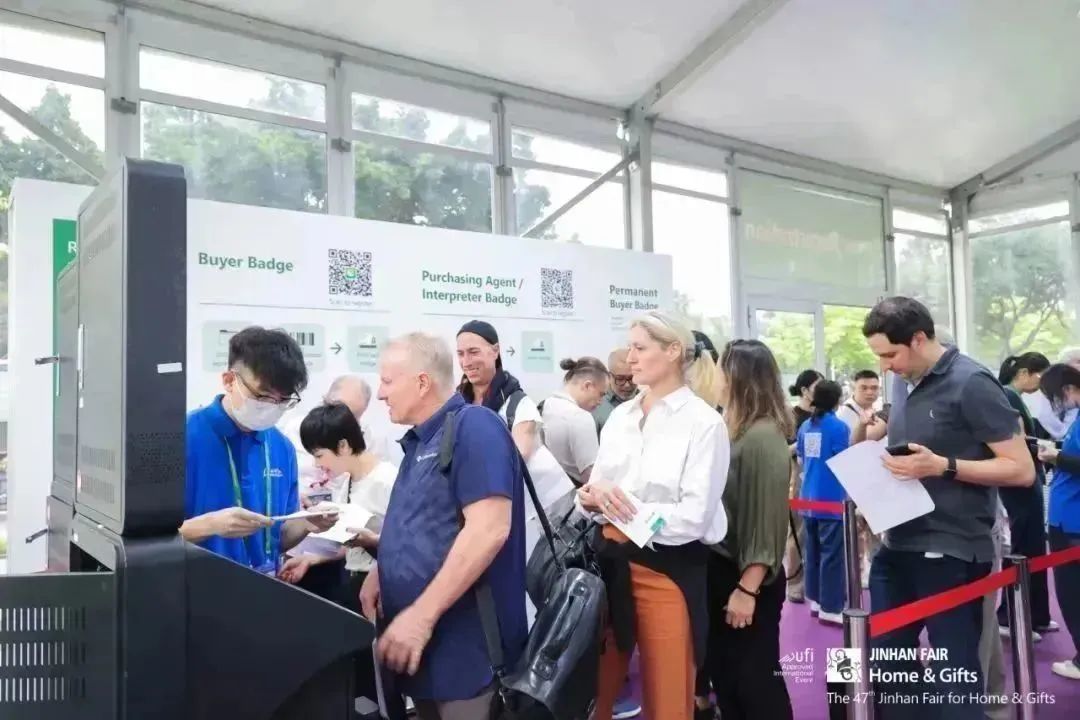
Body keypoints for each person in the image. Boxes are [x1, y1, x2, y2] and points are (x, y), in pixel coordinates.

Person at [862, 297, 1034, 717]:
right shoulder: (903, 381)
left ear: (919, 339)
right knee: (887, 661)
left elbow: (1022, 469)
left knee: (954, 671)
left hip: (953, 548)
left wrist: (944, 466)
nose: (885, 366)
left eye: (890, 354)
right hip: (898, 540)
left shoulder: (972, 382)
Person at [363, 332, 527, 719]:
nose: (381, 394)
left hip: (468, 653)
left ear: (422, 382)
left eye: (387, 382)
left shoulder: (475, 427)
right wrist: (381, 569)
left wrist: (421, 616)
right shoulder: (420, 442)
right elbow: (426, 521)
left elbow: (488, 530)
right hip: (427, 654)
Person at [578, 311, 730, 720]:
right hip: (607, 566)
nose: (629, 357)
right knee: (594, 696)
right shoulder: (620, 417)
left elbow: (694, 517)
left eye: (639, 347)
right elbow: (594, 490)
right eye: (630, 347)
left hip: (667, 572)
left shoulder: (704, 423)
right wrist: (591, 497)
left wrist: (621, 509)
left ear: (673, 350)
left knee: (669, 699)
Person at [181, 327, 336, 573]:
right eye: (263, 397)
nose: (272, 407)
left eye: (283, 400)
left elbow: (277, 538)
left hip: (264, 585)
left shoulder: (281, 448)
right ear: (229, 381)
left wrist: (306, 523)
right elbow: (145, 542)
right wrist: (209, 526)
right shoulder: (182, 438)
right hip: (196, 585)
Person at [702, 339, 793, 720]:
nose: (715, 378)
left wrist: (747, 588)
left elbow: (766, 520)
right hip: (726, 571)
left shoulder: (762, 437)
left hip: (746, 579)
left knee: (755, 684)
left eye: (721, 370)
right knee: (730, 680)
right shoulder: (734, 429)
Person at [455, 320, 575, 559]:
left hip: (534, 515)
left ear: (495, 351)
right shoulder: (458, 403)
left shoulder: (519, 403)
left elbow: (516, 458)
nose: (466, 361)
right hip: (485, 512)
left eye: (474, 352)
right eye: (461, 353)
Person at [278, 403, 397, 608]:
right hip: (352, 582)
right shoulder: (347, 482)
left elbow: (410, 543)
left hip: (382, 587)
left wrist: (373, 542)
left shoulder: (388, 480)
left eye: (319, 455)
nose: (317, 464)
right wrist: (311, 560)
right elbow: (347, 547)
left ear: (343, 446)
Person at [995, 353, 1055, 636]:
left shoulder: (1015, 397)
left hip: (1028, 479)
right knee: (1024, 547)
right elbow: (1014, 439)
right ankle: (1010, 617)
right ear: (1024, 373)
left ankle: (1037, 615)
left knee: (1034, 546)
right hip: (1018, 482)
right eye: (1040, 375)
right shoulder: (1007, 396)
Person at [1035, 363, 1080, 680]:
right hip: (1069, 515)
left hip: (1071, 519)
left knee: (1071, 592)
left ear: (1066, 390)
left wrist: (1056, 457)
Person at [796, 380, 850, 626]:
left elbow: (801, 459)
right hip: (830, 498)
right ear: (837, 400)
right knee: (832, 554)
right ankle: (831, 606)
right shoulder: (839, 427)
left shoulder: (806, 426)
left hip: (808, 497)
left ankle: (816, 600)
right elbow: (844, 461)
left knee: (813, 552)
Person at [542, 356, 609, 486]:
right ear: (587, 386)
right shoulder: (580, 417)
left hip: (545, 490)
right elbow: (591, 477)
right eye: (601, 394)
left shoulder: (546, 405)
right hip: (573, 494)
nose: (601, 402)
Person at [785, 368, 821, 605]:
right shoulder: (790, 415)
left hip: (819, 478)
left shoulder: (823, 416)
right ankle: (795, 584)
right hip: (797, 478)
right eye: (817, 387)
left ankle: (816, 584)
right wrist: (801, 444)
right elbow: (782, 449)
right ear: (805, 390)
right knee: (797, 532)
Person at [594, 347, 638, 433]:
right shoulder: (595, 405)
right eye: (620, 379)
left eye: (632, 378)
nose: (627, 385)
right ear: (609, 376)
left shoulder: (647, 401)